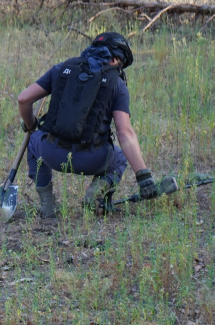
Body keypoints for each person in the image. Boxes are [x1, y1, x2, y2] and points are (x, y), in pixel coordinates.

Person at [17, 32, 158, 218]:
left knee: (34, 138)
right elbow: (125, 134)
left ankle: (47, 204)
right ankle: (95, 193)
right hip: (92, 158)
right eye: (122, 63)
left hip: (52, 154)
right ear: (115, 59)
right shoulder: (117, 84)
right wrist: (143, 176)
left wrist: (31, 124)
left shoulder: (61, 69)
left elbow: (23, 99)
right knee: (120, 157)